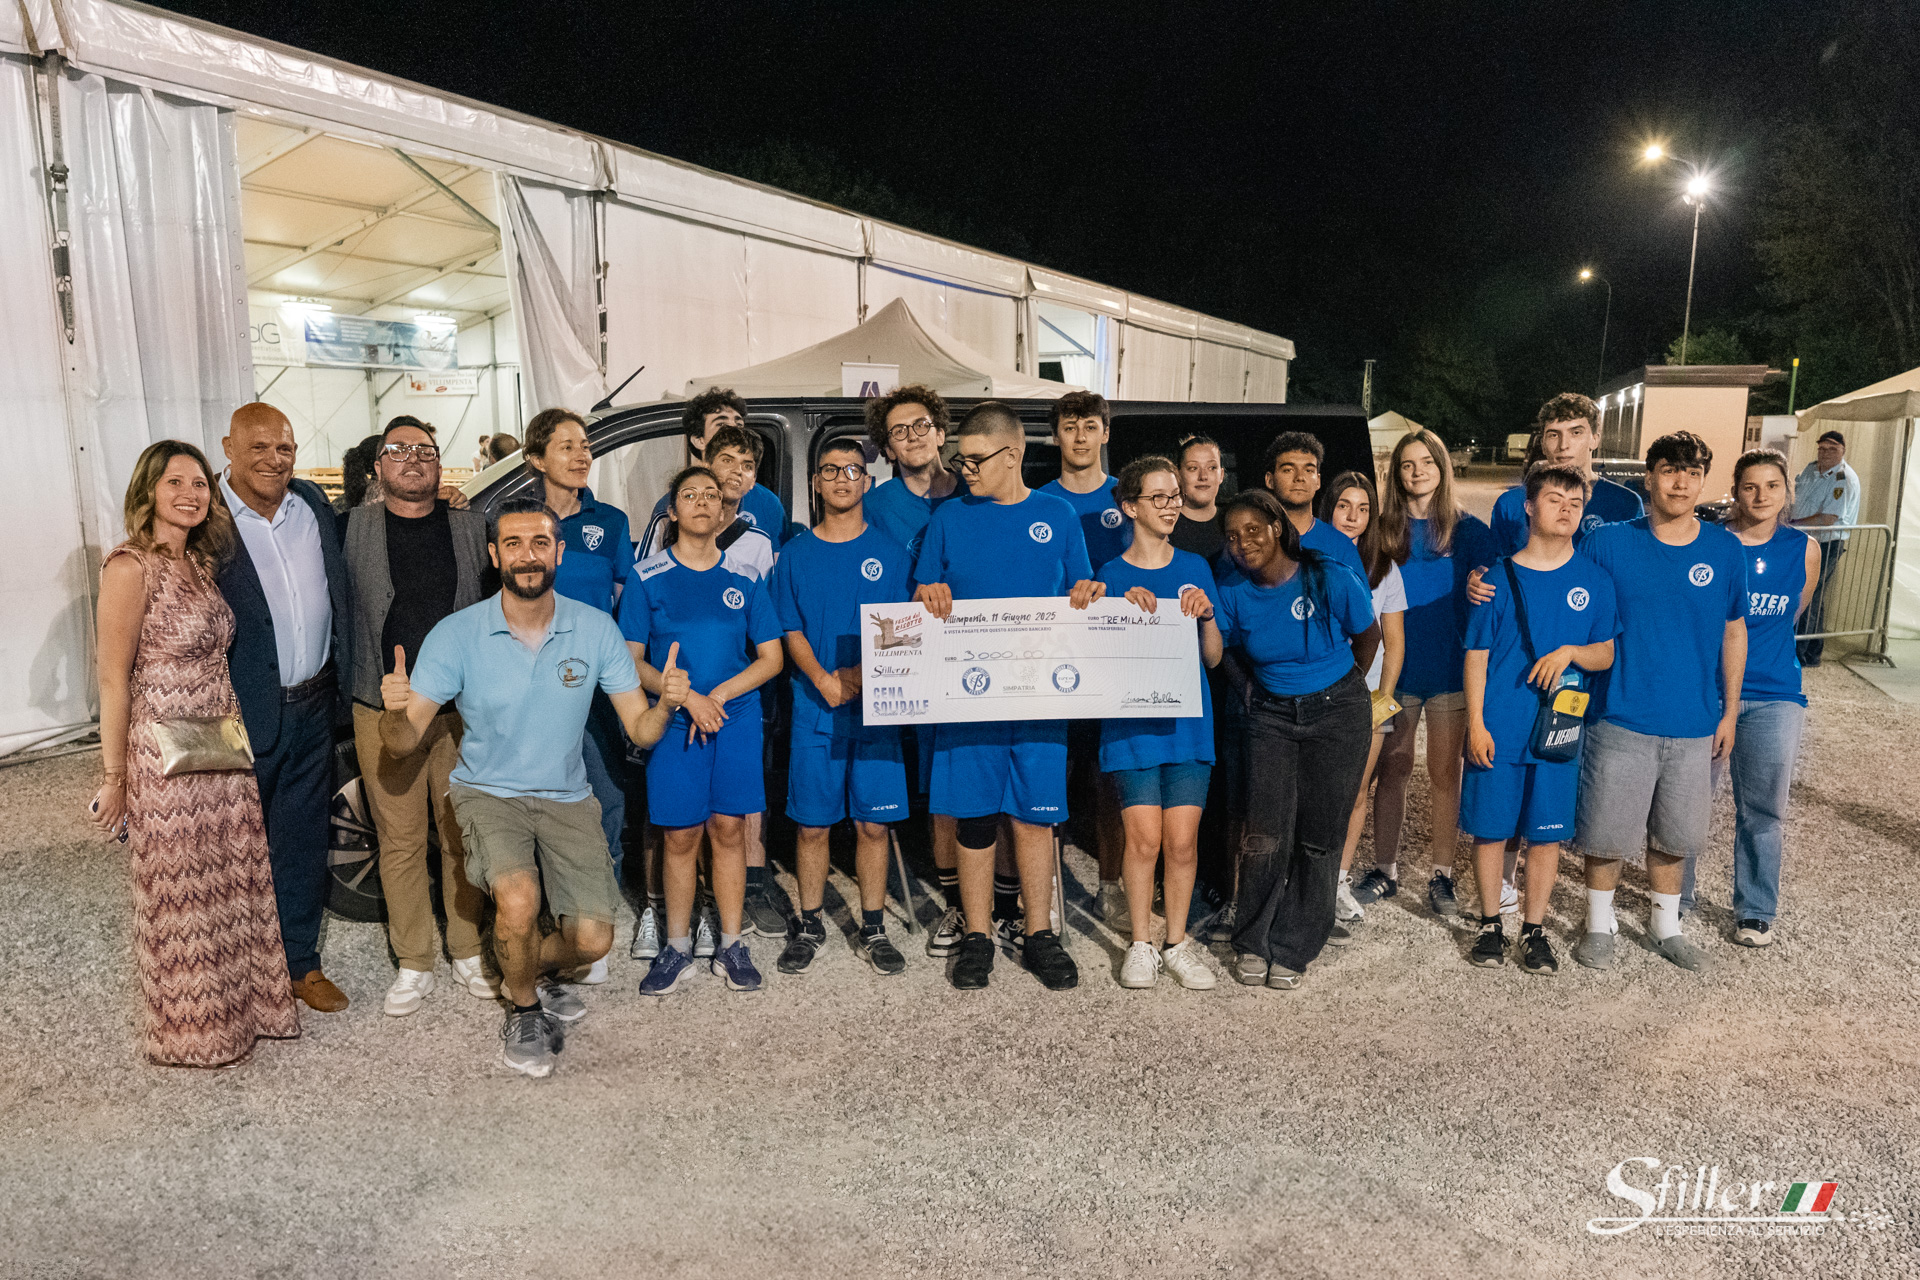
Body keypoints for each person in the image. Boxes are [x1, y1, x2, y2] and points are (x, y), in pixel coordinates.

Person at [380, 498, 687, 1078]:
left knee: (593, 941)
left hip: (566, 795)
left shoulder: (595, 629)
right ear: (495, 555)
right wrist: (395, 712)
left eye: (540, 543)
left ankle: (521, 967)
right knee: (518, 902)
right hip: (487, 792)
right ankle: (523, 1008)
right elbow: (402, 743)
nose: (528, 556)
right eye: (514, 544)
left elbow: (641, 730)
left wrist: (667, 704)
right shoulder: (456, 635)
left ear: (560, 552)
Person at [93, 441, 302, 1066]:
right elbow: (112, 678)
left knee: (232, 880)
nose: (190, 494)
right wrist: (116, 776)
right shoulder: (130, 567)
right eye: (175, 482)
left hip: (220, 744)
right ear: (148, 491)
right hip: (165, 755)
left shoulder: (200, 564)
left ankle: (248, 1014)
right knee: (182, 893)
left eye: (200, 484)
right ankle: (194, 1032)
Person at [912, 401, 1106, 990]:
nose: (965, 469)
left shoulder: (1057, 515)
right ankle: (977, 935)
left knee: (1033, 817)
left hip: (1039, 699)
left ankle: (1038, 931)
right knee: (973, 819)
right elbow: (920, 594)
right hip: (968, 699)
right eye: (961, 459)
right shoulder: (948, 518)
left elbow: (1081, 588)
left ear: (1014, 454)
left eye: (976, 459)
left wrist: (1090, 593)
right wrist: (928, 594)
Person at [1570, 431, 1747, 973]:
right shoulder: (1609, 543)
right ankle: (1598, 922)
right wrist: (1487, 580)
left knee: (1676, 833)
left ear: (1703, 482)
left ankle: (1665, 927)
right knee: (1606, 832)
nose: (1681, 482)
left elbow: (1734, 631)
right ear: (1649, 477)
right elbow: (1560, 583)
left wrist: (1730, 711)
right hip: (1619, 715)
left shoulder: (1724, 549)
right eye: (1670, 470)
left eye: (1693, 472)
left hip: (1693, 720)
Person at [344, 418, 496, 1015]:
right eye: (397, 449)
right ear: (377, 466)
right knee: (400, 840)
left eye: (424, 450)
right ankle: (413, 962)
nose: (412, 458)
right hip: (381, 707)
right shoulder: (348, 528)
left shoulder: (472, 527)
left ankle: (466, 949)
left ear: (440, 464)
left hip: (461, 710)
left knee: (461, 836)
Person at [620, 466, 786, 996]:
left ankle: (732, 944)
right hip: (673, 721)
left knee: (729, 829)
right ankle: (676, 947)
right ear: (672, 511)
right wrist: (685, 697)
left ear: (723, 510)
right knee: (680, 834)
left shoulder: (745, 576)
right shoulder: (647, 577)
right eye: (689, 494)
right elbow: (630, 661)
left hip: (734, 720)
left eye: (711, 495)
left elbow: (772, 658)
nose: (701, 502)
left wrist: (718, 696)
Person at [216, 403, 354, 1013]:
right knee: (234, 848)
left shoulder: (312, 506)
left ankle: (300, 962)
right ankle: (238, 971)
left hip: (313, 706)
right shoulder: (206, 518)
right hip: (239, 713)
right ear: (228, 448)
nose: (275, 459)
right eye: (260, 447)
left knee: (300, 840)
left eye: (285, 448)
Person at [1214, 489, 1379, 989]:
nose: (1243, 543)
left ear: (1277, 527)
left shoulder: (1328, 574)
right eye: (1232, 536)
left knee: (1319, 836)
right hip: (1271, 715)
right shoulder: (1232, 590)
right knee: (1265, 833)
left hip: (1337, 713)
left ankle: (1294, 943)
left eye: (1253, 530)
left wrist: (1337, 690)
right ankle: (1253, 940)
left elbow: (1368, 636)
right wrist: (1248, 689)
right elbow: (1224, 650)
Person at [1460, 464, 1618, 975]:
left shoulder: (1594, 581)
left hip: (1558, 729)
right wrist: (1475, 722)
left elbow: (1605, 652)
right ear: (1529, 506)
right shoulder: (1494, 579)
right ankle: (1490, 924)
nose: (1566, 510)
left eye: (1575, 503)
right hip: (1501, 724)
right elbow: (1477, 655)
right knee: (1491, 829)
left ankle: (1534, 929)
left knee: (1546, 834)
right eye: (1554, 500)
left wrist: (1570, 651)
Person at [768, 438, 913, 975]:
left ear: (866, 481)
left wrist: (859, 677)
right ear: (816, 483)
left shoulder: (892, 554)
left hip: (876, 709)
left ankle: (873, 927)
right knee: (812, 825)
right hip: (816, 708)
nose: (841, 479)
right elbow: (790, 628)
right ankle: (810, 923)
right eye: (830, 470)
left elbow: (903, 628)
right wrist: (824, 680)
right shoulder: (795, 554)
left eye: (852, 470)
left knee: (873, 826)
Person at [1356, 427, 1496, 920]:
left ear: (1442, 467)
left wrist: (1480, 585)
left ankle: (1442, 873)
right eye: (1407, 464)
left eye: (1427, 462)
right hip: (1392, 673)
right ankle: (1385, 869)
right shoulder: (1381, 529)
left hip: (1450, 672)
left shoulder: (1470, 531)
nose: (1417, 472)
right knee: (1391, 768)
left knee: (1443, 773)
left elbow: (1492, 589)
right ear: (1396, 473)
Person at [1096, 456, 1223, 990]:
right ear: (1130, 507)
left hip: (1189, 726)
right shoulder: (1110, 575)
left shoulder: (1195, 568)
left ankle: (1177, 942)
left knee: (1183, 843)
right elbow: (1097, 661)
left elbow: (1213, 658)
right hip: (1132, 730)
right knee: (1144, 841)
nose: (1172, 506)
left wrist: (1206, 615)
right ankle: (1141, 943)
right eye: (1160, 497)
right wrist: (1119, 613)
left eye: (1175, 496)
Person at [1684, 449, 1819, 946]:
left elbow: (1791, 614)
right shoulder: (1711, 542)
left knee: (1763, 809)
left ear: (1787, 491)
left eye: (1772, 486)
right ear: (1736, 490)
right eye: (1750, 486)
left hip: (1774, 694)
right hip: (1710, 691)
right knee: (1689, 801)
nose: (1761, 496)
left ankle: (1755, 909)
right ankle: (1676, 897)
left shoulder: (1804, 549)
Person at [520, 408, 636, 980]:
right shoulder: (517, 521)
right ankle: (549, 923)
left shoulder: (610, 522)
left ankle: (595, 924)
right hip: (535, 690)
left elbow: (624, 602)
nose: (581, 454)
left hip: (596, 690)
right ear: (535, 459)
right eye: (566, 445)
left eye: (585, 444)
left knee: (605, 801)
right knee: (544, 806)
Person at [861, 385, 968, 956]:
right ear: (887, 448)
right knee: (942, 778)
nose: (913, 436)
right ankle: (955, 900)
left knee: (990, 770)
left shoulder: (975, 488)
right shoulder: (876, 506)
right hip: (917, 656)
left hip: (982, 651)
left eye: (922, 424)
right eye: (899, 431)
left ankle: (1005, 899)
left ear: (941, 431)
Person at [1038, 391, 1128, 924]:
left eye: (1090, 426)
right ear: (1056, 436)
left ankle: (1110, 884)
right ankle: (1046, 884)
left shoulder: (1127, 498)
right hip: (1056, 657)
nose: (1079, 437)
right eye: (1069, 427)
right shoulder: (1039, 501)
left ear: (1105, 433)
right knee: (1053, 773)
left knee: (1108, 777)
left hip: (1112, 659)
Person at [1321, 472, 1406, 938]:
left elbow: (1394, 642)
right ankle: (1303, 883)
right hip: (1315, 696)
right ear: (1328, 508)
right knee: (1312, 794)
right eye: (1343, 506)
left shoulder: (1384, 569)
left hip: (1365, 700)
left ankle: (1336, 881)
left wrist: (1382, 699)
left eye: (1363, 508)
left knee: (1355, 793)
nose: (1352, 516)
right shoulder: (1305, 556)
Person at [637, 387, 789, 555]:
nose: (733, 430)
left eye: (739, 424)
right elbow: (650, 566)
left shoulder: (768, 503)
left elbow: (775, 564)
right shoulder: (673, 504)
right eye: (721, 424)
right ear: (699, 440)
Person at [1488, 394, 1644, 555]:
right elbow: (1495, 566)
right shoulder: (1511, 504)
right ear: (1543, 444)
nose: (1563, 445)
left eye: (1575, 433)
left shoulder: (1626, 503)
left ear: (1594, 440)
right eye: (1554, 435)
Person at [1789, 430, 1860, 667]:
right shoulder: (1810, 469)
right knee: (1813, 595)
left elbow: (1828, 518)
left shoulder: (1843, 478)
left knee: (1809, 594)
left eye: (1832, 449)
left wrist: (1792, 524)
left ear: (1843, 451)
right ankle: (1811, 652)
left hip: (1827, 543)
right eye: (1822, 448)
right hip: (1806, 540)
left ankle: (1801, 651)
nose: (1826, 453)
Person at [1259, 430, 1369, 582]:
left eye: (1308, 470)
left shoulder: (1340, 546)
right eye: (1288, 470)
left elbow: (1358, 598)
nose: (1299, 477)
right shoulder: (1253, 542)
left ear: (1318, 481)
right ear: (1270, 480)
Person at [1170, 434, 1226, 562]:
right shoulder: (1165, 526)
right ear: (1178, 474)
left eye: (1212, 468)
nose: (1203, 476)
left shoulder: (1233, 523)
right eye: (1193, 468)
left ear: (1221, 475)